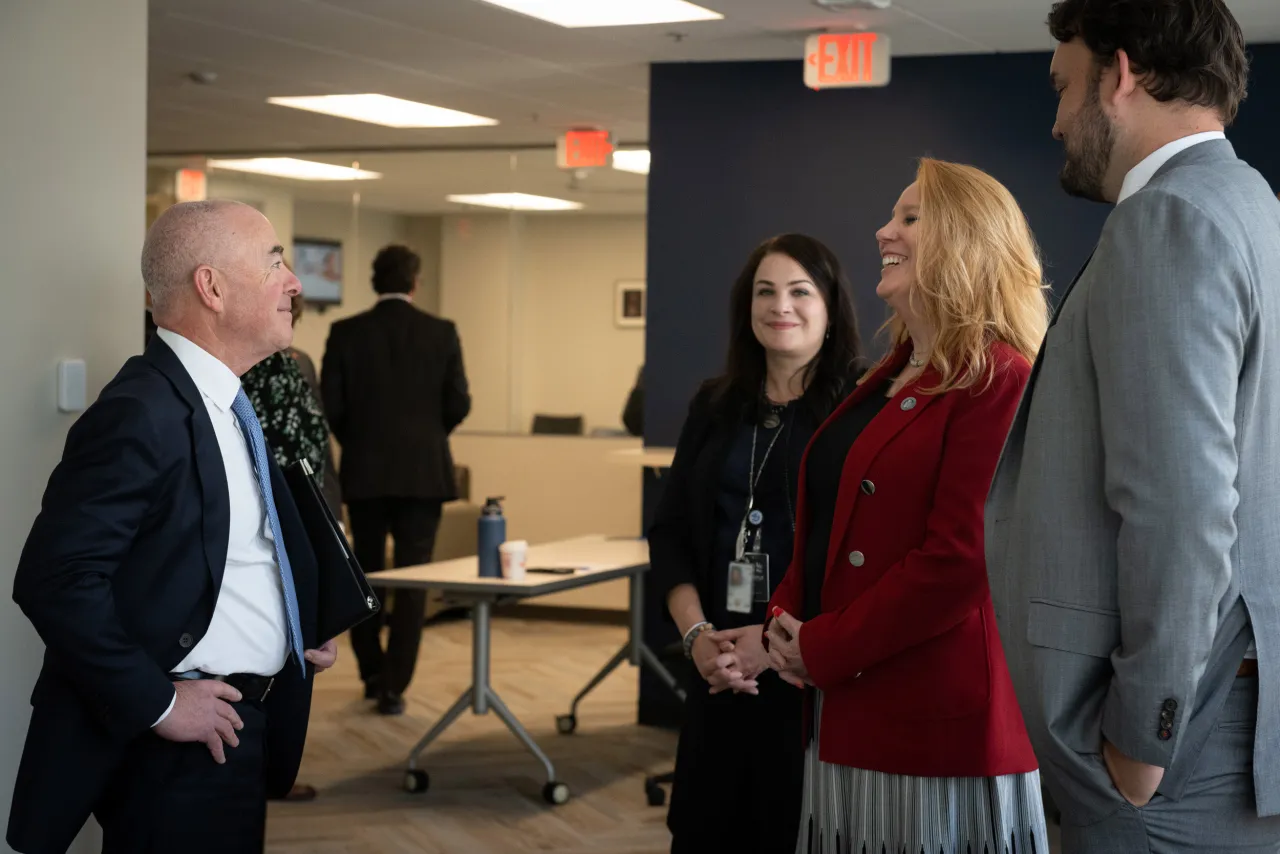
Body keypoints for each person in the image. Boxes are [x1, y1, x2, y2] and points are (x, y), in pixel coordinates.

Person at [985, 1, 1280, 850]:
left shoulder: (1168, 218)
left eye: (1063, 86)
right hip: (1229, 727)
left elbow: (1182, 507)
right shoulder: (1250, 201)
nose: (1054, 120)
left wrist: (1137, 744)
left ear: (1120, 75)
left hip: (1171, 756)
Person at [7, 199, 338, 854]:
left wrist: (294, 621)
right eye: (274, 262)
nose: (295, 283)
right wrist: (159, 702)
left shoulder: (227, 401)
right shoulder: (140, 411)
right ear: (211, 288)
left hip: (239, 724)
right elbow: (55, 579)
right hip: (174, 744)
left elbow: (212, 555)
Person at [763, 160, 1050, 854]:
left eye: (910, 217)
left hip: (933, 720)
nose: (883, 230)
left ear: (966, 239)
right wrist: (786, 619)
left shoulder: (1000, 375)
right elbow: (833, 521)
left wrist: (822, 646)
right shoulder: (894, 369)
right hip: (853, 698)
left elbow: (958, 562)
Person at [647, 233, 865, 854]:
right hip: (716, 661)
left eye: (801, 291)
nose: (781, 306)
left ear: (829, 307)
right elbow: (670, 534)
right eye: (765, 291)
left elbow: (864, 555)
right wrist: (695, 639)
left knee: (795, 830)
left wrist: (774, 646)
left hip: (807, 669)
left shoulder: (858, 406)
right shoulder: (715, 404)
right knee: (706, 828)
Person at [322, 244, 471, 715]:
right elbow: (459, 402)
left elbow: (333, 407)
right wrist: (427, 436)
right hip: (424, 474)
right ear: (414, 282)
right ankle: (395, 684)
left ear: (373, 281)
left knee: (365, 574)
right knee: (413, 579)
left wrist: (363, 441)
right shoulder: (441, 332)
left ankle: (370, 671)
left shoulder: (345, 333)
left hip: (365, 472)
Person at [242, 292, 338, 804]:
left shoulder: (298, 365)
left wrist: (332, 526)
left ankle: (277, 766)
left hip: (305, 525)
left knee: (302, 652)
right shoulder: (236, 373)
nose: (291, 321)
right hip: (267, 532)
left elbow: (319, 449)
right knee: (272, 652)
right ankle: (264, 767)